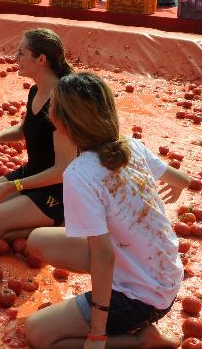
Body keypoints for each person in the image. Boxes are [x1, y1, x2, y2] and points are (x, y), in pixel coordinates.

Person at [24, 72, 191, 349]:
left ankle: (139, 339)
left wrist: (98, 334)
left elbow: (102, 254)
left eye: (52, 106)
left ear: (63, 122)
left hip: (142, 299)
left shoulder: (80, 173)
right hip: (166, 275)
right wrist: (181, 184)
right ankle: (118, 300)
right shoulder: (130, 145)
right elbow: (180, 178)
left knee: (38, 334)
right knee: (37, 240)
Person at [0, 29, 74, 240]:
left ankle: (62, 220)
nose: (15, 58)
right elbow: (24, 129)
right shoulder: (35, 91)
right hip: (30, 174)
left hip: (56, 190)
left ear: (41, 59)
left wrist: (15, 186)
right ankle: (22, 211)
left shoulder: (62, 104)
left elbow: (62, 170)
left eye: (21, 53)